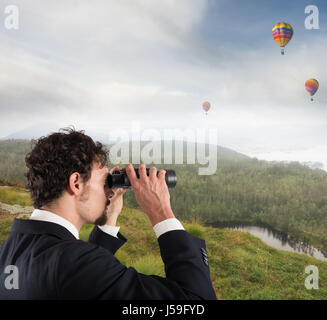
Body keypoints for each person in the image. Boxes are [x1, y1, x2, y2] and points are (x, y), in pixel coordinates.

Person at [0, 128, 216, 300]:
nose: (109, 190)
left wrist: (109, 213)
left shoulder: (8, 251)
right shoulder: (76, 263)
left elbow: (81, 282)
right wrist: (161, 212)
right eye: (105, 181)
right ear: (76, 183)